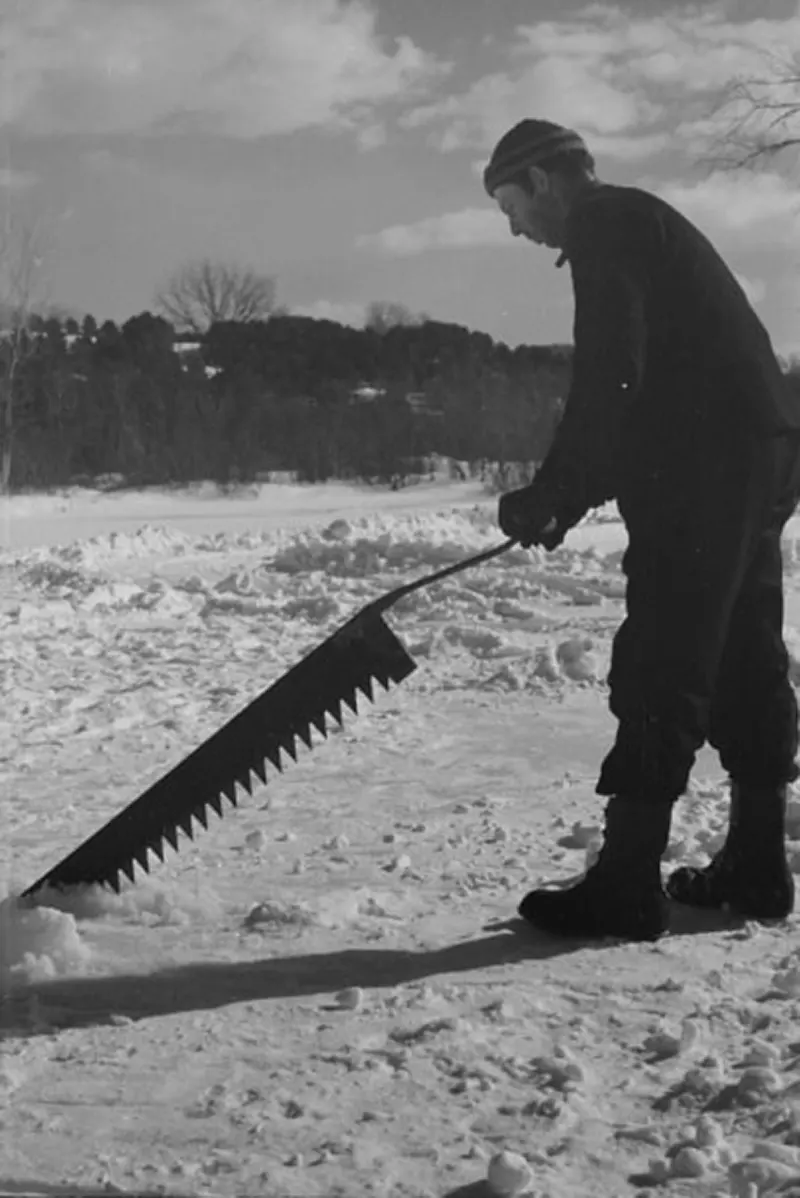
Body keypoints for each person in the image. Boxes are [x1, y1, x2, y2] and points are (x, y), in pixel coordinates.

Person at [484, 118, 800, 942]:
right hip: (759, 452)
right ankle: (759, 866)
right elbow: (651, 376)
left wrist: (558, 487)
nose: (514, 226)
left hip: (707, 465)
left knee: (667, 651)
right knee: (740, 650)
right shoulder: (640, 220)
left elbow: (612, 370)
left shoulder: (607, 225)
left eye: (509, 204)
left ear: (542, 181)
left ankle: (626, 882)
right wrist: (575, 491)